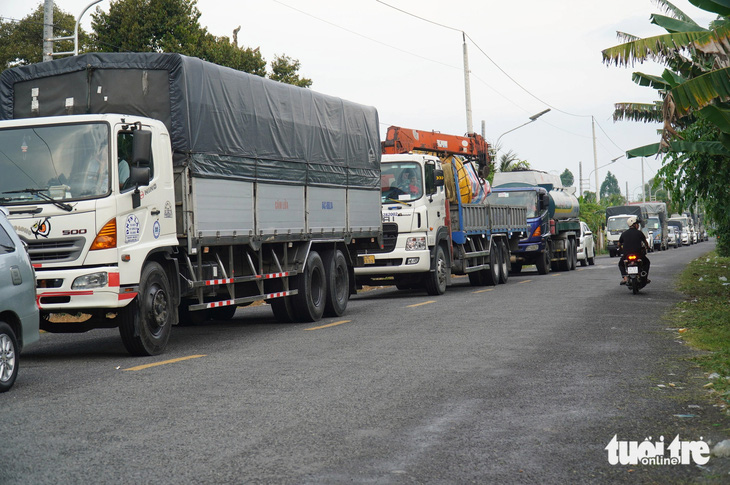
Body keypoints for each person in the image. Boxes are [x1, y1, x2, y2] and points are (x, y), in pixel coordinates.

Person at [618, 215, 651, 285]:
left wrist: (621, 249)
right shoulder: (639, 233)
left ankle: (625, 278)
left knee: (621, 264)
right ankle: (644, 277)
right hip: (638, 254)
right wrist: (647, 247)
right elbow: (645, 242)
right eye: (637, 224)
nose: (638, 225)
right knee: (647, 262)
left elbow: (619, 244)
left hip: (627, 255)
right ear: (634, 225)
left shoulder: (624, 234)